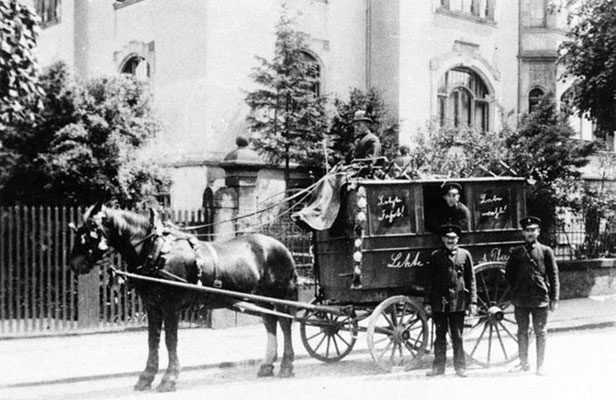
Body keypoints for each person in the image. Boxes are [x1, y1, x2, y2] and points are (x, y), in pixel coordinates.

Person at [505, 216, 559, 376]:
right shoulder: (516, 252)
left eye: (533, 230)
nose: (530, 233)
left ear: (538, 232)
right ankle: (523, 362)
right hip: (521, 299)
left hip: (539, 298)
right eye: (527, 230)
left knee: (540, 331)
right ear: (523, 232)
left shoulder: (546, 251)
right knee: (521, 331)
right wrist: (516, 289)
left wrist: (554, 298)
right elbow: (509, 274)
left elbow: (553, 275)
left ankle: (540, 366)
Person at [424, 224, 477, 378]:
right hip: (440, 302)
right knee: (440, 336)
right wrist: (427, 302)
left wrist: (472, 302)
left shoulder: (465, 255)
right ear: (442, 239)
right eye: (448, 238)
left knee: (457, 336)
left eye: (453, 238)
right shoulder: (436, 256)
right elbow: (430, 282)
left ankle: (460, 367)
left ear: (458, 239)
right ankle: (438, 367)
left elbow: (471, 280)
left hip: (458, 302)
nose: (450, 241)